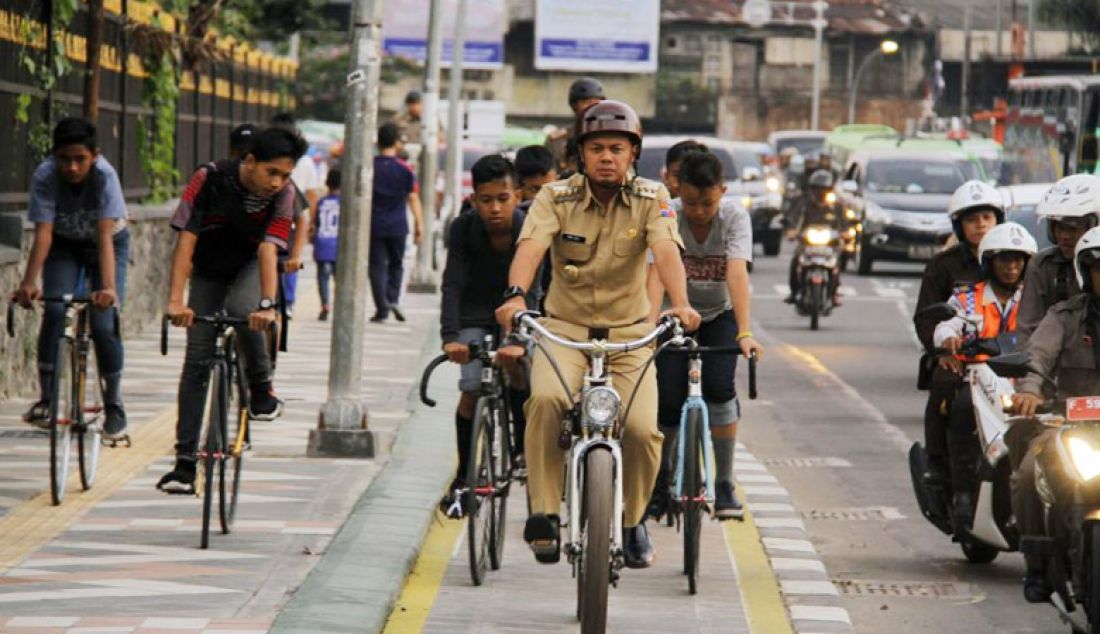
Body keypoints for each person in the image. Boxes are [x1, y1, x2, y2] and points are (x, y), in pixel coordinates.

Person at [495, 99, 701, 569]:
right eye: (596, 149)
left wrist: (681, 303)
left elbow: (666, 251)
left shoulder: (654, 198)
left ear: (633, 154)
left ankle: (631, 523)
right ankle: (545, 514)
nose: (606, 157)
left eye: (617, 148)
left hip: (630, 336)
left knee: (643, 430)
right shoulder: (555, 198)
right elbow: (531, 246)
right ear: (580, 156)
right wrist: (515, 294)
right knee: (545, 402)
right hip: (564, 331)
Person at [156, 126, 306, 493]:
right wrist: (176, 301)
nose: (277, 182)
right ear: (249, 161)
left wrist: (268, 307)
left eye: (285, 175)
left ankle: (260, 388)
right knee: (196, 360)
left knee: (244, 310)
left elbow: (269, 250)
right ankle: (185, 465)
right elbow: (185, 241)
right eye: (272, 172)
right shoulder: (208, 178)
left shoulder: (285, 194)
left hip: (251, 265)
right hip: (208, 269)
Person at [644, 150, 764, 521]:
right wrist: (649, 329)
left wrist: (744, 332)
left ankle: (725, 483)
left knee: (719, 387)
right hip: (673, 314)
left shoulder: (734, 217)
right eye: (691, 202)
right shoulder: (668, 216)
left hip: (719, 314)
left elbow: (737, 274)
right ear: (679, 191)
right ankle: (659, 483)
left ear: (722, 191)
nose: (698, 211)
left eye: (707, 203)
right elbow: (654, 275)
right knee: (665, 399)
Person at [10, 117, 131, 441]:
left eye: (80, 159)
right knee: (54, 309)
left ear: (95, 155)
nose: (72, 167)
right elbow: (44, 234)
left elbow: (105, 236)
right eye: (65, 158)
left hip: (107, 245)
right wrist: (28, 282)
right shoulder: (46, 176)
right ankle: (48, 399)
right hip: (64, 245)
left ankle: (114, 404)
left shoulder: (106, 177)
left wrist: (107, 288)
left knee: (104, 323)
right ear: (54, 157)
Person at [438, 155, 533, 518]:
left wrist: (519, 338)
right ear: (474, 199)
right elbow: (452, 284)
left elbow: (535, 285)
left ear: (517, 195)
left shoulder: (529, 228)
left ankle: (522, 449)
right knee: (471, 387)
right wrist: (450, 338)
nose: (495, 208)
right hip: (475, 313)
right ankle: (463, 476)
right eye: (486, 199)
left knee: (520, 367)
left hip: (519, 309)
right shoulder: (462, 229)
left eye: (503, 198)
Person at [1009, 226, 1100, 603]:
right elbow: (1038, 356)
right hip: (1068, 427)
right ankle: (1037, 565)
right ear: (1085, 271)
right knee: (1027, 475)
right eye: (1098, 268)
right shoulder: (1064, 316)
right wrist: (1030, 391)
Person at [932, 222, 1036, 528]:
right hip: (978, 377)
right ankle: (963, 492)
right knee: (961, 409)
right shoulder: (967, 298)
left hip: (1025, 380)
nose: (1012, 266)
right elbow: (946, 324)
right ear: (990, 262)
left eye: (1018, 259)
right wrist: (948, 338)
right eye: (1004, 258)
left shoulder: (1035, 300)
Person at [912, 180, 1003, 490]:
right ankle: (937, 464)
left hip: (1010, 359)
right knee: (944, 389)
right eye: (972, 219)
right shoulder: (942, 266)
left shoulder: (1020, 262)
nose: (980, 225)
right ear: (959, 225)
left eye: (987, 218)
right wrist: (944, 350)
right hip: (960, 358)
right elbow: (925, 318)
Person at [1016, 174, 1100, 345]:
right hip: (1056, 364)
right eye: (1059, 227)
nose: (1064, 236)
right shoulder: (1043, 265)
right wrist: (1029, 367)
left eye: (1073, 228)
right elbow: (1028, 329)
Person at [369, 122, 424, 323]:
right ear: (396, 143)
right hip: (398, 225)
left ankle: (381, 307)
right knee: (396, 263)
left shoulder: (370, 167)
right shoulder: (405, 169)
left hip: (374, 225)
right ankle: (392, 298)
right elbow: (413, 198)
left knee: (376, 266)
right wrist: (420, 225)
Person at [270, 113, 317, 317]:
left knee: (288, 260)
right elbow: (312, 194)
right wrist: (311, 220)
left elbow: (310, 197)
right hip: (289, 225)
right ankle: (286, 302)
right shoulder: (306, 162)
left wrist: (308, 221)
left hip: (288, 221)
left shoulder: (299, 164)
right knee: (287, 260)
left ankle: (283, 302)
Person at [784, 169, 845, 305]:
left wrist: (846, 232)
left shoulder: (836, 206)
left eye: (824, 189)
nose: (820, 192)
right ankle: (794, 292)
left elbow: (844, 222)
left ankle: (834, 292)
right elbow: (794, 218)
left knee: (836, 262)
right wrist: (792, 230)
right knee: (795, 260)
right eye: (817, 189)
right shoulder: (804, 203)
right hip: (807, 243)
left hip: (829, 244)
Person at [546, 77, 606, 173]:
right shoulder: (558, 140)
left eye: (597, 103)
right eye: (587, 102)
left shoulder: (611, 134)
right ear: (574, 106)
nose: (592, 107)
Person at [313, 169, 341, 321]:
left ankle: (325, 305)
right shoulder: (345, 203)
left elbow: (315, 223)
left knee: (323, 277)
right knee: (339, 279)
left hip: (323, 245)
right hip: (339, 247)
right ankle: (340, 305)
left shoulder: (321, 202)